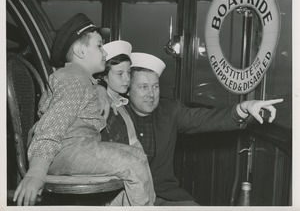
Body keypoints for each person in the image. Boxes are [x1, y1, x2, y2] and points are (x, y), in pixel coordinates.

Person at [101, 52, 283, 206]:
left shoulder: (170, 111)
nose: (151, 94)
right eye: (143, 87)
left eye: (155, 87)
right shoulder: (115, 113)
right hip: (125, 197)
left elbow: (205, 118)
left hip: (165, 197)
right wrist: (100, 88)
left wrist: (243, 108)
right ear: (128, 90)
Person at [13, 14, 155, 206]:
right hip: (66, 149)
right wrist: (36, 172)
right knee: (133, 164)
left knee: (137, 156)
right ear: (80, 51)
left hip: (79, 146)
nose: (105, 52)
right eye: (99, 46)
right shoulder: (74, 79)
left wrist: (100, 88)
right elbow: (53, 124)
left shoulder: (81, 79)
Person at [98, 40, 144, 149]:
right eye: (120, 74)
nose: (127, 79)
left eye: (128, 72)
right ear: (104, 76)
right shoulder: (101, 103)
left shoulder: (124, 103)